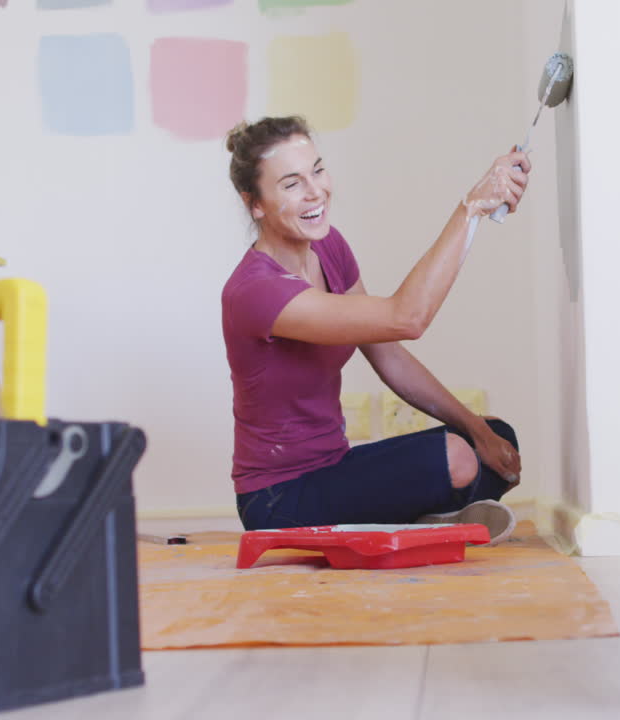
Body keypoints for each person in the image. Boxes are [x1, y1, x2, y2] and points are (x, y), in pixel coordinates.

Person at [221, 115, 531, 543]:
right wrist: (472, 207)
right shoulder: (255, 291)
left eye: (318, 170)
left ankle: (415, 521)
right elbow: (407, 317)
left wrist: (478, 429)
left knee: (495, 436)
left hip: (335, 465)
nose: (316, 192)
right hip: (277, 497)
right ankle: (421, 521)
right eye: (291, 184)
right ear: (254, 203)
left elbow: (389, 354)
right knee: (458, 458)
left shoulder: (328, 247)